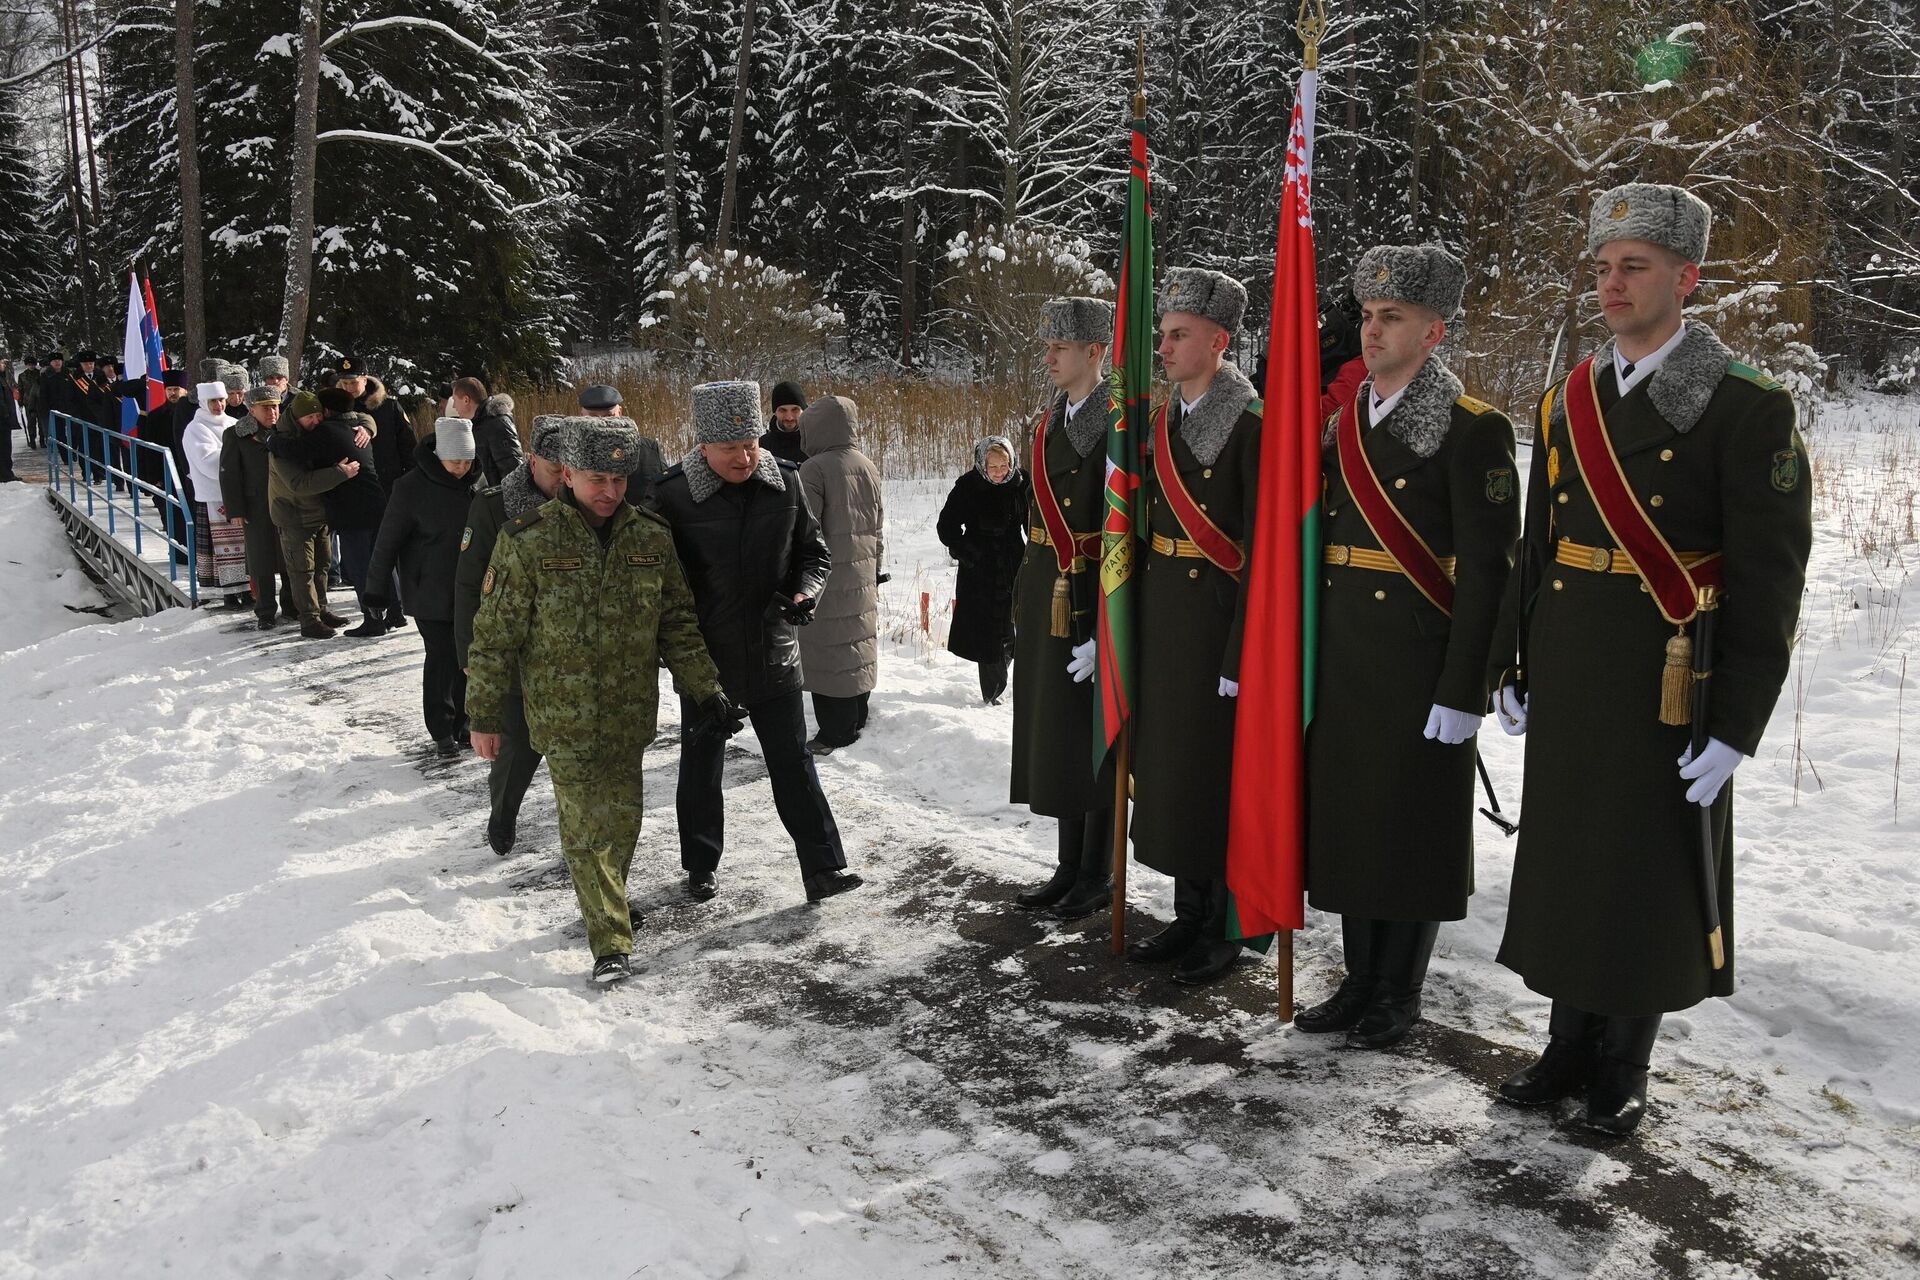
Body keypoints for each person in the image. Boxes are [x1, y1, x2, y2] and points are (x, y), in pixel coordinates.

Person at [1489, 183, 1813, 1136]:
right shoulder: (1568, 398)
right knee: (1570, 856)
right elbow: (1536, 544)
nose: (1614, 283)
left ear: (1687, 277)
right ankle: (1565, 1045)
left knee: (1640, 867)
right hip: (1574, 655)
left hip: (1670, 670)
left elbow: (1771, 581)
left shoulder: (1745, 408)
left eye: (1635, 266)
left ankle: (1624, 1062)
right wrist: (1517, 659)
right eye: (1603, 266)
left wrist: (1738, 724)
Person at [1292, 244, 1520, 1050]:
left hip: (1423, 657)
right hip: (1348, 650)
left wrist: (1469, 688)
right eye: (1368, 316)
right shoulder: (1344, 422)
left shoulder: (1473, 430)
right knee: (1355, 821)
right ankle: (1360, 979)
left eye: (1394, 318)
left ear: (1435, 332)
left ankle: (1402, 990)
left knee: (1413, 826)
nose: (1373, 330)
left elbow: (1492, 571)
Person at [466, 417, 742, 984]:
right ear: (567, 474)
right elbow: (493, 637)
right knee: (587, 828)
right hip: (561, 718)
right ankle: (610, 941)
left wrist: (705, 689)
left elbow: (678, 625)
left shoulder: (650, 537)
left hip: (627, 713)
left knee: (622, 822)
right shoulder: (527, 540)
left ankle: (607, 897)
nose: (610, 491)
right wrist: (485, 715)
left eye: (619, 478)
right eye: (597, 478)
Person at [651, 380, 861, 905]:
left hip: (775, 651)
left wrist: (804, 593)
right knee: (702, 767)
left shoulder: (784, 483)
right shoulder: (672, 495)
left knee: (793, 763)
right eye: (730, 449)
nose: (745, 457)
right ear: (703, 446)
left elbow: (814, 554)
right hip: (708, 660)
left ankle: (824, 868)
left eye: (751, 445)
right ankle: (700, 866)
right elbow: (657, 585)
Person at [1121, 268, 1262, 984]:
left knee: (1219, 779)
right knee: (1175, 770)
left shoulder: (1252, 424)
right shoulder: (1162, 418)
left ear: (1219, 341)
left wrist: (1245, 648)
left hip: (1218, 622)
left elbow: (1267, 549)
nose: (1165, 347)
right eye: (1163, 333)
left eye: (1179, 335)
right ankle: (1187, 909)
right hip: (1166, 611)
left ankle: (1225, 926)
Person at [1009, 296, 1118, 921]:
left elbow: (1124, 526)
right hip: (1045, 579)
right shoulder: (1049, 419)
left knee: (1091, 734)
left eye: (1060, 347)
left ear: (1095, 353)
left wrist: (1108, 623)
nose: (1048, 357)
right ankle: (1068, 866)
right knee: (1055, 731)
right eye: (1047, 346)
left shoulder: (1117, 424)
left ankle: (1095, 872)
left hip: (1088, 587)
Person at [455, 415, 569, 855]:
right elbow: (468, 584)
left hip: (569, 651)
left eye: (569, 467)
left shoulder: (585, 502)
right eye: (554, 467)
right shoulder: (493, 506)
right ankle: (503, 814)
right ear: (532, 459)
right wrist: (469, 653)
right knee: (517, 747)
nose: (563, 477)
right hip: (514, 648)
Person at [365, 417, 484, 753]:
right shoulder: (411, 488)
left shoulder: (477, 483)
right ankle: (441, 727)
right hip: (428, 589)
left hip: (470, 590)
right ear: (439, 456)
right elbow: (386, 542)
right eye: (454, 461)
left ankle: (464, 721)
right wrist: (376, 590)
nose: (461, 468)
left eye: (467, 461)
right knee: (442, 656)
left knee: (468, 656)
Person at [796, 394, 884, 753]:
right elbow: (877, 525)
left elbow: (806, 528)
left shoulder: (814, 469)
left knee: (828, 649)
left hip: (826, 576)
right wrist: (875, 568)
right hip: (861, 571)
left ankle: (835, 732)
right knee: (856, 643)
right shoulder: (867, 464)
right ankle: (857, 717)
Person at [938, 436, 1028, 705]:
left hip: (1013, 563)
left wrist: (1036, 553)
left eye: (1004, 465)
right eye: (993, 467)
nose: (1000, 472)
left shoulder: (1021, 483)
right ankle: (992, 692)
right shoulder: (968, 486)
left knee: (1014, 628)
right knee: (988, 633)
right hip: (981, 570)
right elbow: (947, 528)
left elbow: (1033, 522)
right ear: (982, 465)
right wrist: (969, 553)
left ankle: (1001, 674)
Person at [266, 390, 355, 638]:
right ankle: (309, 620)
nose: (316, 421)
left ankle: (322, 609)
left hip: (318, 513)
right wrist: (340, 473)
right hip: (294, 515)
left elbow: (357, 417)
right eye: (311, 417)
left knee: (322, 566)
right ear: (297, 417)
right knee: (302, 570)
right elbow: (299, 483)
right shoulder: (281, 444)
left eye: (319, 415)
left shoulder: (311, 437)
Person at [307, 385, 393, 636]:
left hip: (353, 513)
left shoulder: (326, 431)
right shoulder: (358, 428)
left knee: (359, 567)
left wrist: (273, 440)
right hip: (377, 504)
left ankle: (373, 619)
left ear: (326, 410)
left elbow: (296, 451)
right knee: (382, 563)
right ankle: (394, 614)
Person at [218, 385, 303, 628]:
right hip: (256, 506)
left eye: (275, 407)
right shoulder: (236, 435)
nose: (272, 412)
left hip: (287, 503)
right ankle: (265, 611)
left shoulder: (288, 430)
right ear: (251, 410)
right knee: (261, 560)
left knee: (290, 556)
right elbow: (229, 473)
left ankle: (292, 606)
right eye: (265, 408)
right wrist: (235, 509)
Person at [181, 380, 250, 606]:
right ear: (203, 402)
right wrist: (237, 458)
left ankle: (247, 588)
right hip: (213, 495)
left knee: (242, 544)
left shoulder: (234, 422)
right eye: (213, 401)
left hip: (238, 493)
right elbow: (208, 463)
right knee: (221, 548)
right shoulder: (196, 428)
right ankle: (228, 593)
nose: (219, 405)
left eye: (221, 400)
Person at [577, 383, 667, 505]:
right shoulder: (572, 454)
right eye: (593, 417)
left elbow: (663, 494)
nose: (601, 423)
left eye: (609, 416)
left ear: (620, 413)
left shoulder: (648, 452)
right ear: (581, 417)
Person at [447, 376, 524, 486]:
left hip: (500, 499)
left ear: (466, 400)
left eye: (455, 400)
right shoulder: (477, 424)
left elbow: (513, 470)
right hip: (487, 499)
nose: (454, 406)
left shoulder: (496, 423)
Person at [758, 380, 808, 465]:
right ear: (775, 412)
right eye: (783, 410)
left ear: (803, 411)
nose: (789, 417)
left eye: (795, 410)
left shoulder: (815, 444)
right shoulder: (762, 446)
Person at [21, 356, 44, 451]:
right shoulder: (22, 376)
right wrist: (20, 401)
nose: (31, 366)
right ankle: (32, 439)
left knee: (41, 422)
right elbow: (20, 389)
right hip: (28, 401)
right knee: (31, 422)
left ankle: (42, 439)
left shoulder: (40, 374)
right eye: (29, 364)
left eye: (32, 364)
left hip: (39, 401)